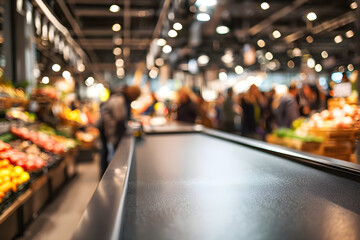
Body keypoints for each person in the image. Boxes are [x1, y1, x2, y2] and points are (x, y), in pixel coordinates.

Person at [98, 85, 141, 177]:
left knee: (106, 152)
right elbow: (119, 118)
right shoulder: (120, 99)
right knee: (106, 153)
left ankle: (105, 175)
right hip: (107, 128)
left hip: (107, 127)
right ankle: (105, 177)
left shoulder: (120, 96)